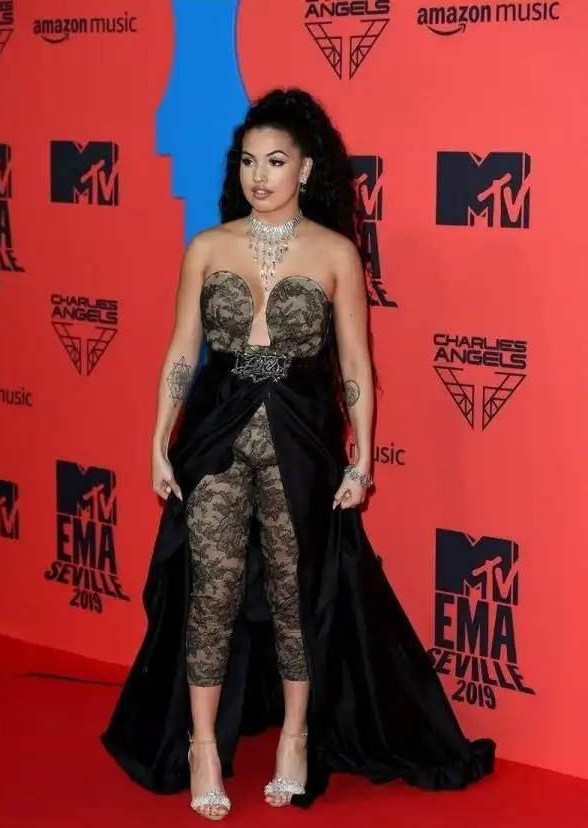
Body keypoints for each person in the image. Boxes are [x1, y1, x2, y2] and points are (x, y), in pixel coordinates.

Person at [101, 88, 495, 821]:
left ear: (306, 168)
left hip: (303, 439)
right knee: (211, 591)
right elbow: (183, 349)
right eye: (248, 161)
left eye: (276, 161)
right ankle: (203, 747)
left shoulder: (336, 252)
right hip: (216, 434)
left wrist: (362, 458)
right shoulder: (208, 247)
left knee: (294, 593)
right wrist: (159, 437)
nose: (260, 176)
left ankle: (295, 738)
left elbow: (356, 362)